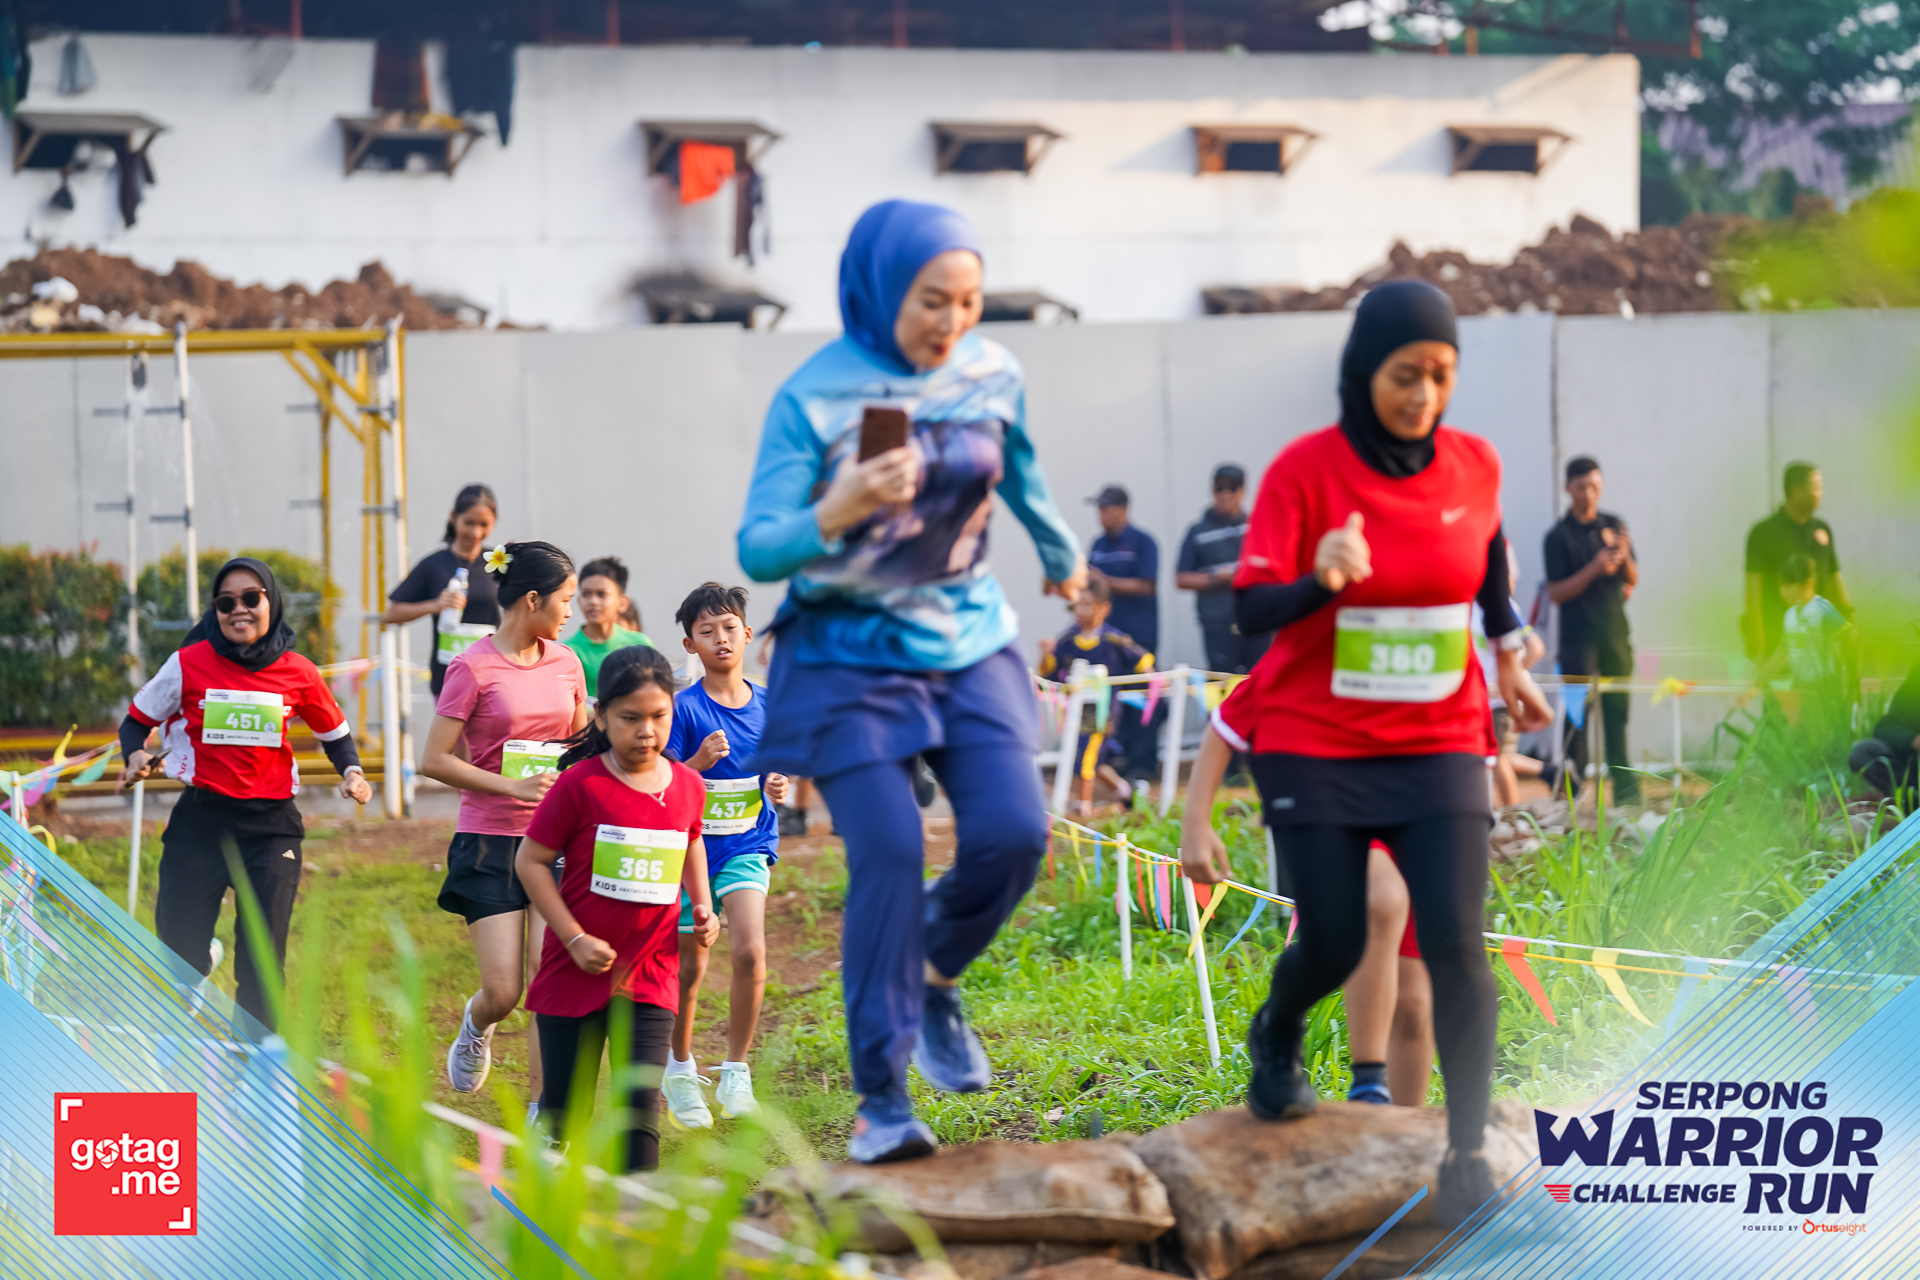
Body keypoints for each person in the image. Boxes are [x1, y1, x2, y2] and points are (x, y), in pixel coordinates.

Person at [1179, 279, 1551, 1227]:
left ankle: (1464, 1154)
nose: (1424, 395)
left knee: (1458, 944)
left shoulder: (1474, 464)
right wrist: (1322, 578)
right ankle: (1278, 1030)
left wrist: (1509, 651)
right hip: (1320, 743)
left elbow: (1488, 559)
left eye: (1441, 375)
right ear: (1362, 371)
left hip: (1437, 739)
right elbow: (1249, 608)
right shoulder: (1304, 472)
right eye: (1404, 375)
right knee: (1339, 937)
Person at [737, 198, 1084, 1164]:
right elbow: (759, 547)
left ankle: (932, 968)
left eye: (969, 301)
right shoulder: (812, 397)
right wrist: (837, 506)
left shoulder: (993, 370)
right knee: (888, 848)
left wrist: (1061, 553)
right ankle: (881, 1101)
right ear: (883, 288)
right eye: (933, 300)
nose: (953, 321)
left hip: (969, 642)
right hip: (847, 657)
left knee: (1015, 835)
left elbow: (1019, 470)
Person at [117, 557, 373, 1029]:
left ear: (271, 603)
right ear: (214, 610)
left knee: (261, 960)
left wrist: (352, 772)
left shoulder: (299, 671)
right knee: (177, 947)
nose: (239, 609)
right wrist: (134, 755)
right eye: (225, 602)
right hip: (201, 821)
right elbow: (136, 721)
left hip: (270, 827)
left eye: (251, 598)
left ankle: (255, 1062)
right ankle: (197, 968)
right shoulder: (188, 663)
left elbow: (335, 735)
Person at [513, 645, 719, 1172]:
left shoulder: (688, 784)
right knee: (563, 1120)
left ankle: (638, 1216)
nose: (647, 731)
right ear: (601, 716)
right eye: (630, 718)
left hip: (650, 975)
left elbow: (691, 837)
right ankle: (544, 1210)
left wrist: (702, 903)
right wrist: (574, 938)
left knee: (638, 1121)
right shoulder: (580, 784)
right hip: (573, 975)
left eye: (659, 717)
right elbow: (531, 861)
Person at [1180, 719, 1433, 1108]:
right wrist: (1195, 820)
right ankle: (1366, 1083)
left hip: (1425, 795)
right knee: (1377, 903)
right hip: (1334, 795)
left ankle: (1405, 1129)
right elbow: (1230, 719)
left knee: (1413, 1003)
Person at [422, 541, 590, 1102]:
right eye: (565, 599)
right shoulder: (472, 667)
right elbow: (434, 759)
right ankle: (477, 1023)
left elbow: (581, 746)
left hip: (555, 840)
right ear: (533, 599)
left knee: (548, 979)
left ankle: (544, 1112)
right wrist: (511, 786)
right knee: (504, 991)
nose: (571, 611)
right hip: (489, 841)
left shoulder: (567, 662)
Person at [661, 583, 790, 1128]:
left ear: (747, 633)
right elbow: (661, 782)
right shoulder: (682, 709)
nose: (721, 639)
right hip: (689, 851)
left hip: (747, 844)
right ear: (689, 644)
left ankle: (736, 1070)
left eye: (729, 628)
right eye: (707, 631)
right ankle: (679, 1069)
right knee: (690, 967)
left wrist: (778, 784)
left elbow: (778, 766)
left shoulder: (769, 705)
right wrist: (696, 762)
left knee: (751, 953)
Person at [1543, 457, 1639, 805]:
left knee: (1617, 715)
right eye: (1582, 486)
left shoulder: (1614, 524)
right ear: (1568, 488)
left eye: (1595, 486)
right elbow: (1556, 593)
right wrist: (1594, 568)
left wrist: (1624, 557)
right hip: (1577, 641)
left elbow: (1633, 578)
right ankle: (1572, 795)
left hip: (1614, 636)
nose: (1589, 493)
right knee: (1577, 721)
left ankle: (1625, 792)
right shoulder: (1558, 537)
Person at [1038, 576, 1155, 808]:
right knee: (1091, 756)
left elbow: (1142, 661)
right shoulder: (1067, 640)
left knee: (1087, 752)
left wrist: (1153, 682)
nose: (1081, 610)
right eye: (1076, 605)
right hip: (1075, 709)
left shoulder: (1113, 639)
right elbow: (1048, 673)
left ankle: (1083, 804)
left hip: (1103, 710)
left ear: (1104, 608)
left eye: (1087, 604)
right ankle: (1125, 790)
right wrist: (1045, 654)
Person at [384, 483, 501, 697]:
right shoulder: (434, 564)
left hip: (494, 675)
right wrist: (435, 605)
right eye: (469, 522)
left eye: (484, 524)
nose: (476, 532)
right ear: (453, 517)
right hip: (449, 678)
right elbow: (392, 613)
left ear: (494, 522)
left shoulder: (499, 563)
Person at [1744, 462, 1852, 663]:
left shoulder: (1822, 529)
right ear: (1796, 490)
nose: (1821, 494)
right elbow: (1753, 585)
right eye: (1816, 487)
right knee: (1780, 681)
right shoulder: (1763, 533)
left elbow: (1834, 576)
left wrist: (1848, 618)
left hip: (1821, 638)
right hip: (1779, 636)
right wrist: (1755, 630)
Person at [1175, 465, 1271, 675]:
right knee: (1222, 679)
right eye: (1220, 488)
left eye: (1232, 488)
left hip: (1256, 617)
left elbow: (1273, 566)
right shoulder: (1197, 530)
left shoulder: (1257, 525)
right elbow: (1181, 578)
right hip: (1217, 621)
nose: (1225, 494)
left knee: (1258, 677)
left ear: (1243, 491)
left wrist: (1248, 572)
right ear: (1212, 490)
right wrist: (1216, 577)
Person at [566, 556, 657, 696]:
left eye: (601, 594)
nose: (593, 601)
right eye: (586, 594)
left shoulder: (640, 645)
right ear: (578, 601)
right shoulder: (569, 652)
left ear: (622, 603)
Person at [1086, 485, 1160, 655]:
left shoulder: (1143, 542)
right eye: (1099, 508)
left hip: (1137, 634)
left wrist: (1103, 580)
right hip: (1104, 635)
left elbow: (1146, 586)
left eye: (1105, 508)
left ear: (1123, 509)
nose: (1101, 513)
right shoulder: (1098, 544)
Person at [1851, 657, 1920, 797]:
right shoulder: (1915, 681)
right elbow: (1884, 729)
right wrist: (1913, 740)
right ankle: (1907, 800)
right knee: (1864, 751)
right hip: (1913, 769)